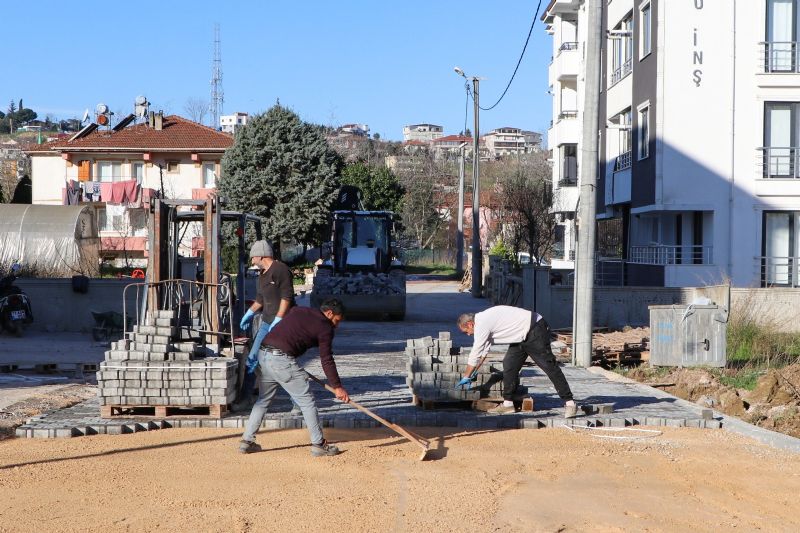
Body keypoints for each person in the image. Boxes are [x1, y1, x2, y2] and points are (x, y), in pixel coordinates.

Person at [239, 298, 350, 457]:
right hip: (281, 360)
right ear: (329, 313)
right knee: (307, 401)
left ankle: (247, 441)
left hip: (264, 355)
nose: (336, 325)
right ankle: (319, 444)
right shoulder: (325, 327)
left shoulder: (299, 310)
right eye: (336, 321)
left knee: (263, 400)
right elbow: (326, 359)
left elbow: (293, 332)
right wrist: (337, 387)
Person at [456, 305, 578, 418]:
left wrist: (466, 376)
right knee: (509, 364)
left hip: (535, 329)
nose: (468, 335)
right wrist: (474, 372)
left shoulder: (482, 323)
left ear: (470, 324)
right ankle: (508, 404)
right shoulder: (483, 321)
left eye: (466, 331)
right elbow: (484, 351)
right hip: (520, 336)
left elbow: (475, 352)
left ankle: (570, 403)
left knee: (548, 366)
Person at [238, 240, 295, 405]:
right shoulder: (262, 275)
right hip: (266, 322)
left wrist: (279, 318)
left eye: (253, 257)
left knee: (286, 361)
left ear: (261, 255)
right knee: (252, 358)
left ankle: (298, 403)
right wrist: (249, 313)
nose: (252, 261)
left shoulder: (281, 270)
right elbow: (260, 300)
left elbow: (286, 297)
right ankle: (245, 398)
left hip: (284, 324)